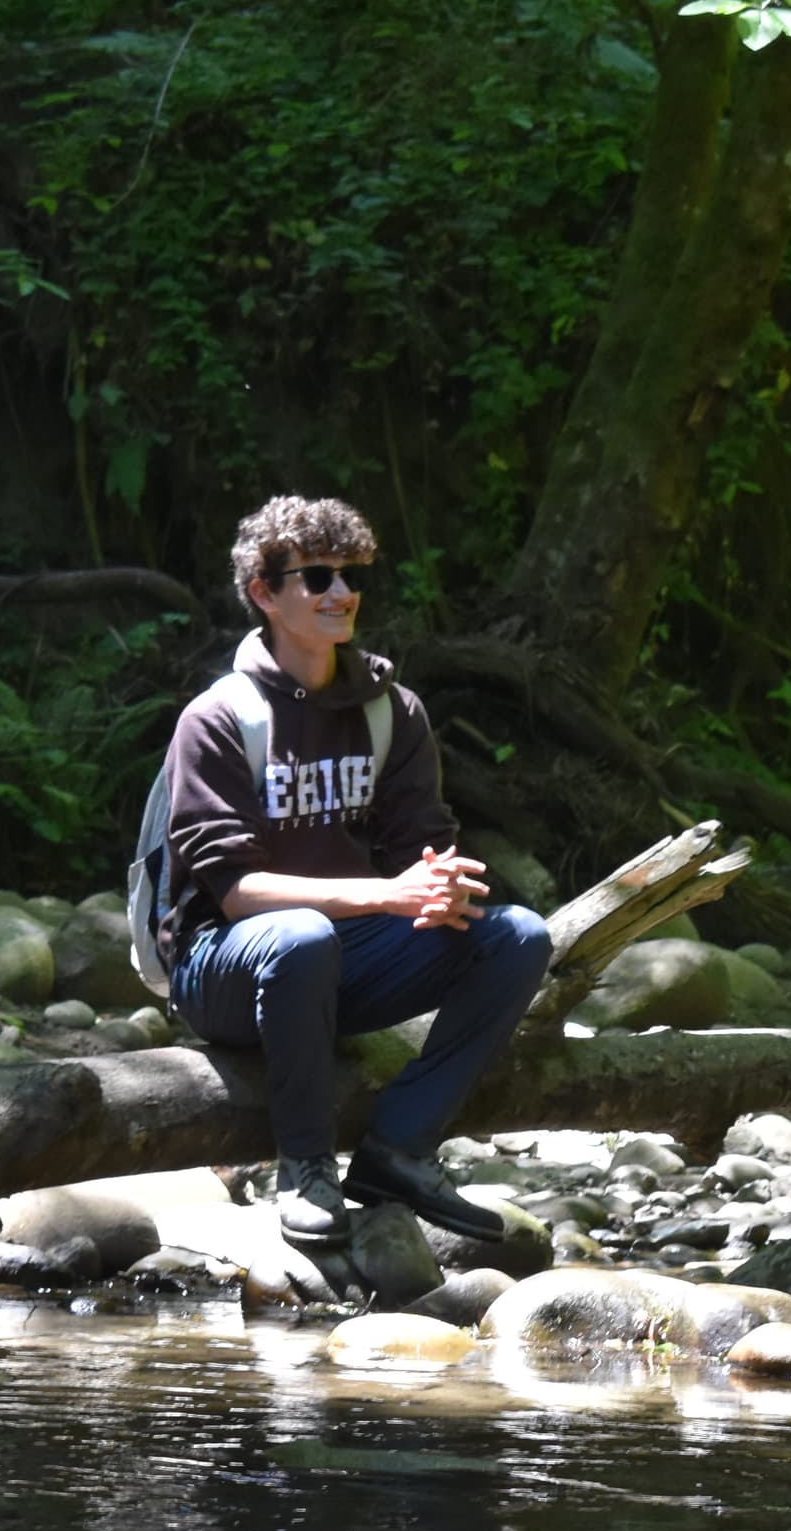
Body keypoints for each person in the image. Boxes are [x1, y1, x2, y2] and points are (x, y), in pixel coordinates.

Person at [142, 495, 552, 1247]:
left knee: (518, 935)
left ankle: (398, 1149)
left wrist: (437, 890)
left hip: (344, 956)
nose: (342, 593)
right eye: (318, 577)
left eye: (351, 576)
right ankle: (302, 1168)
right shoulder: (218, 719)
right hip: (223, 968)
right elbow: (235, 894)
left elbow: (419, 847)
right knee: (297, 936)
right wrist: (383, 895)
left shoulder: (391, 711)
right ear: (265, 595)